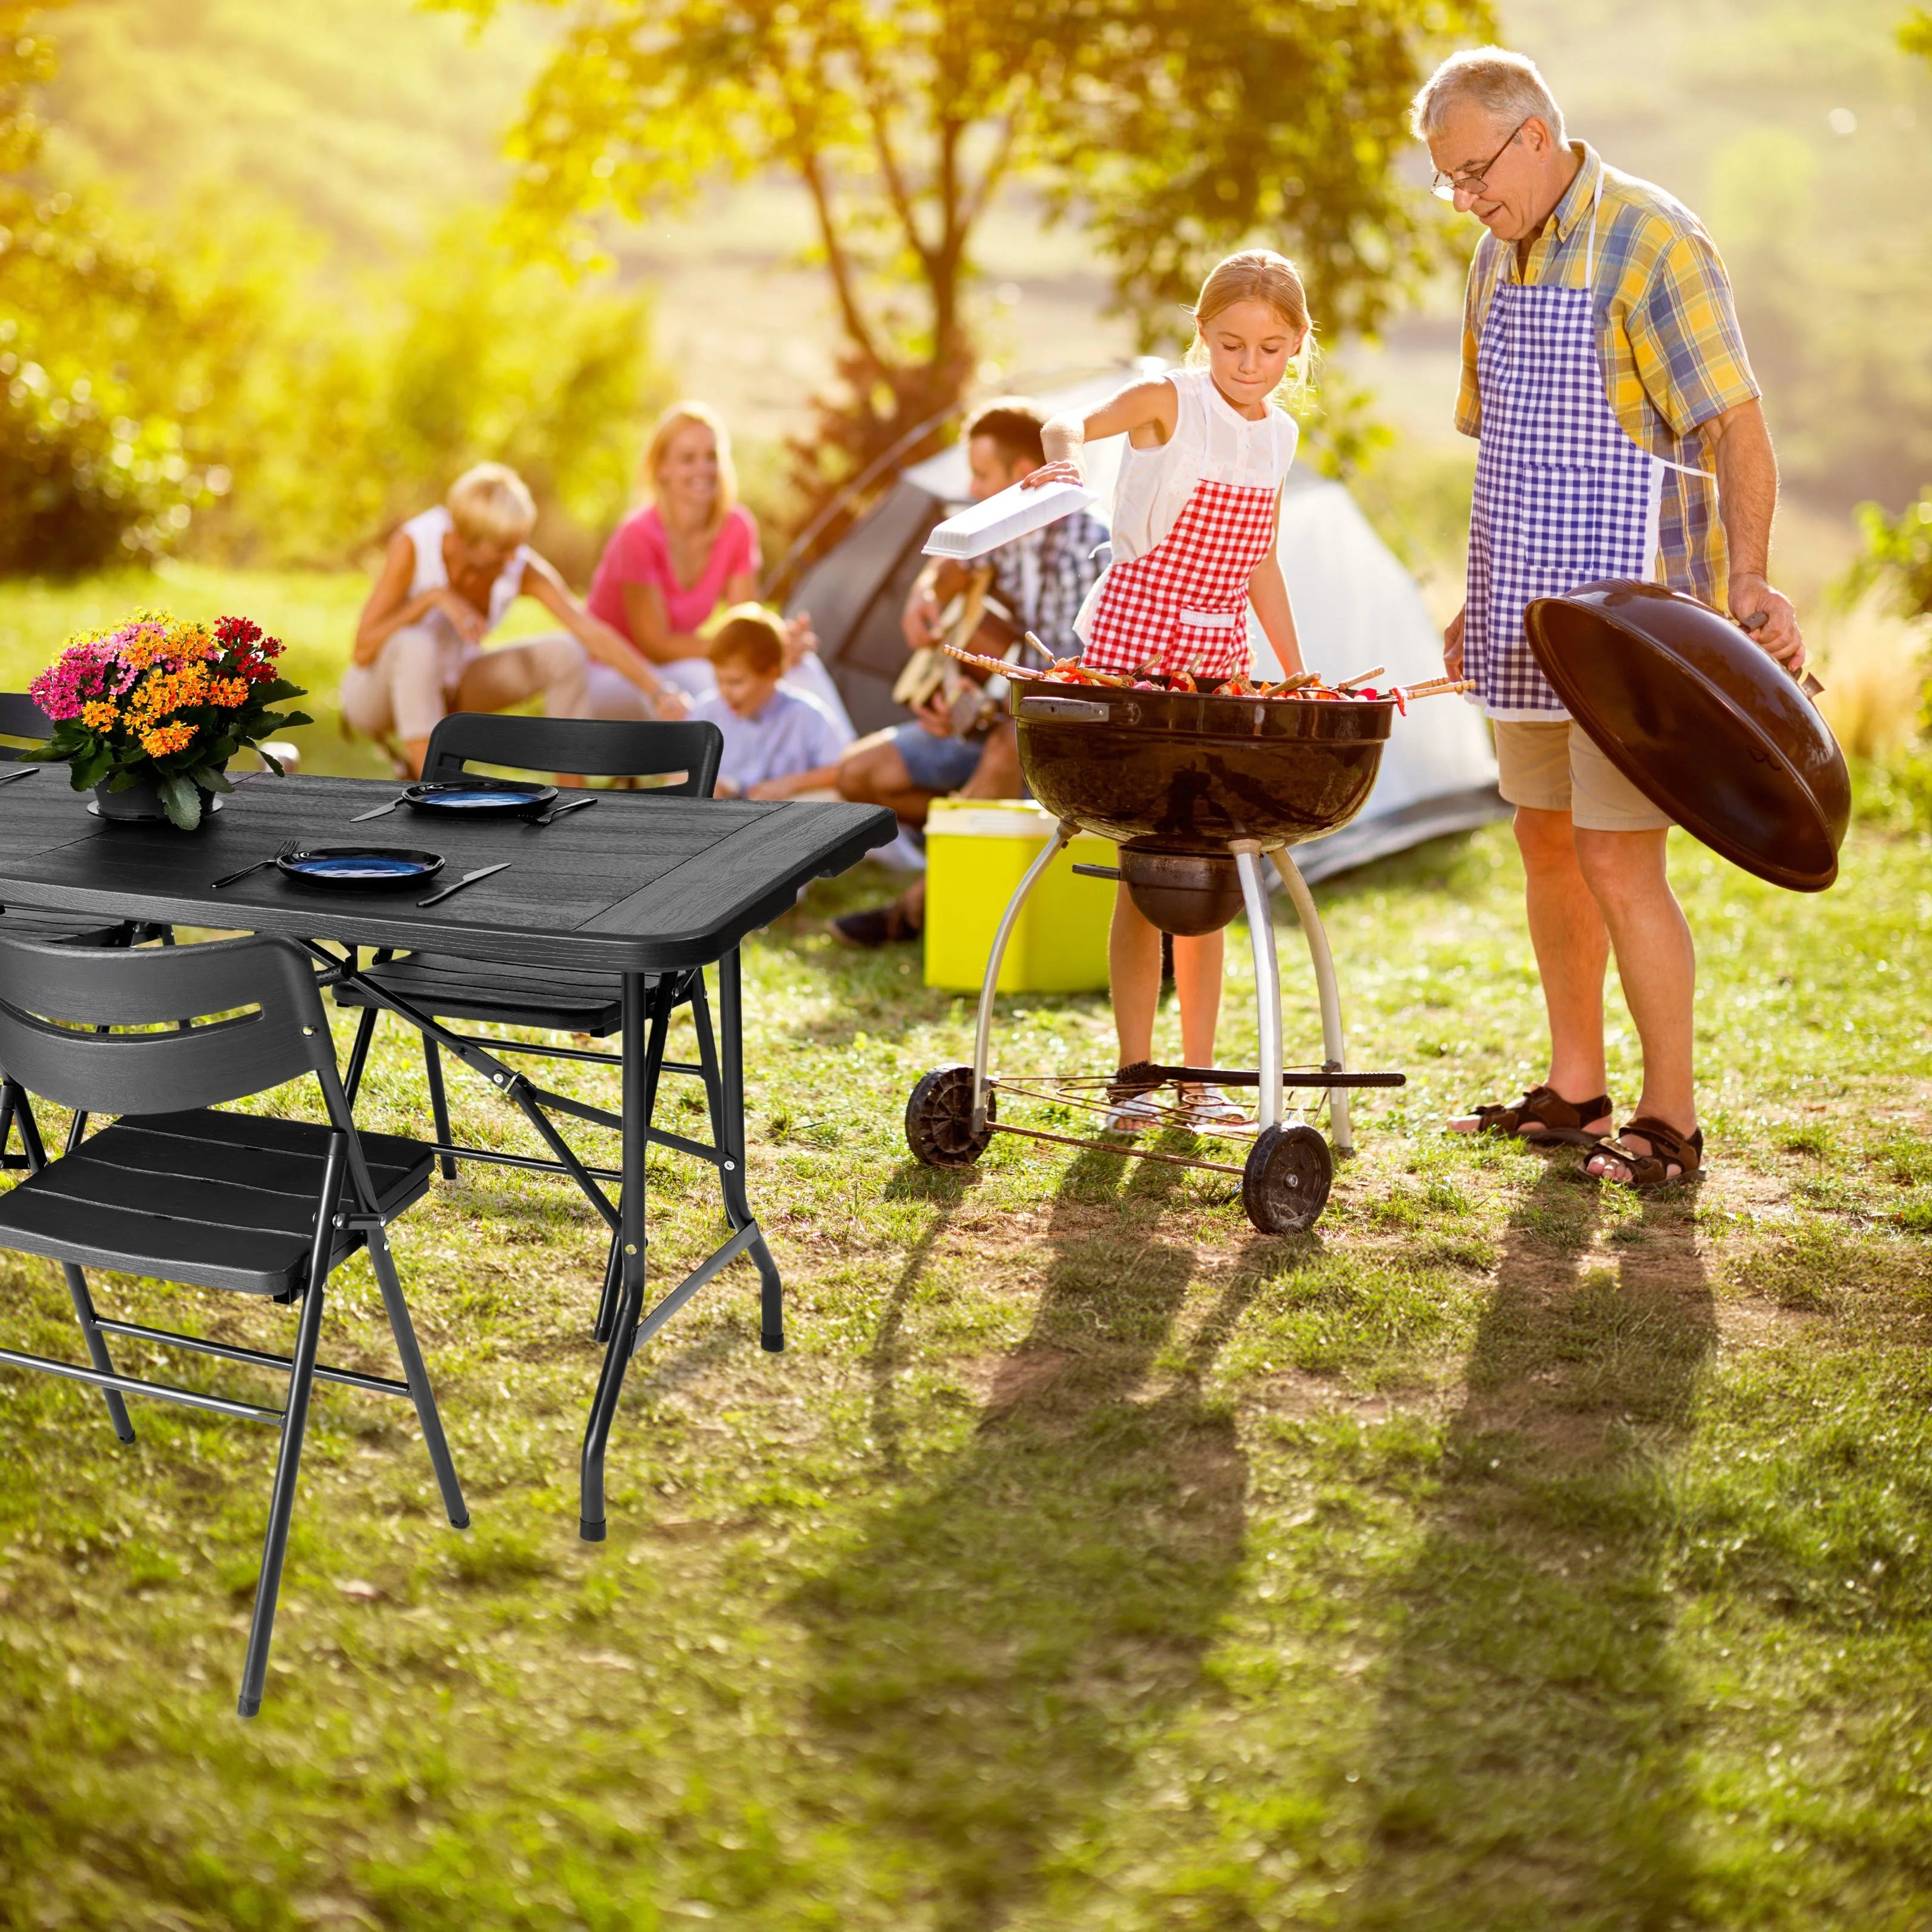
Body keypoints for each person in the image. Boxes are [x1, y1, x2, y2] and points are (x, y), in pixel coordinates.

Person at [1416, 48, 1806, 1188]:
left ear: (1536, 134)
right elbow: (1508, 454)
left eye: (1476, 172)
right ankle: (1577, 1091)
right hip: (1524, 614)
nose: (1467, 199)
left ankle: (1668, 1121)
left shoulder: (1652, 239)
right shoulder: (1494, 256)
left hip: (1636, 627)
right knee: (1546, 843)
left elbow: (1738, 423)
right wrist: (1471, 597)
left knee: (1619, 860)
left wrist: (1750, 580)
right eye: (1448, 182)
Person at [1024, 250, 1312, 1131]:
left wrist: (1294, 670)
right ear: (1202, 334)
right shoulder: (1167, 400)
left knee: (1212, 863)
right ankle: (1136, 1073)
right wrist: (1067, 462)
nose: (1248, 366)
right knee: (1144, 866)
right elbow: (1064, 420)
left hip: (1217, 658)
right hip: (1133, 650)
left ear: (1297, 346)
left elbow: (1256, 557)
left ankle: (1199, 1078)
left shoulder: (1280, 435)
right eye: (1230, 345)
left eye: (1269, 349)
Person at [831, 398, 1108, 948]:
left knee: (1007, 750)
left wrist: (982, 702)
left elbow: (1072, 677)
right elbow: (953, 566)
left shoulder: (1089, 545)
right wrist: (924, 596)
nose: (975, 489)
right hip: (996, 719)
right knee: (856, 776)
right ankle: (976, 814)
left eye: (982, 475)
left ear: (1024, 475)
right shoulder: (999, 527)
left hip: (1054, 735)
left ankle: (913, 911)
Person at [342, 462, 682, 779]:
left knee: (565, 651)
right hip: (375, 695)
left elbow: (589, 629)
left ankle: (572, 797)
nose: (513, 558)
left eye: (517, 544)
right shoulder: (415, 546)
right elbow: (363, 649)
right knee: (418, 644)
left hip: (453, 686)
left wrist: (659, 691)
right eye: (502, 548)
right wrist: (433, 598)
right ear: (462, 539)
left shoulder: (516, 563)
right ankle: (440, 794)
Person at [586, 400, 852, 732]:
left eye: (711, 456)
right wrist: (744, 649)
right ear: (662, 469)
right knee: (716, 688)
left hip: (680, 662)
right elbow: (654, 644)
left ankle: (845, 769)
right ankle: (740, 780)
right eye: (688, 458)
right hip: (617, 672)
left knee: (802, 668)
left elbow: (746, 617)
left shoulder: (736, 526)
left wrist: (778, 640)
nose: (704, 468)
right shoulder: (637, 535)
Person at [690, 606, 847, 801]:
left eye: (736, 682)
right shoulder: (708, 711)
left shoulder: (805, 715)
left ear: (773, 674)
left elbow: (841, 770)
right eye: (719, 680)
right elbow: (678, 771)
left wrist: (790, 784)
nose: (725, 692)